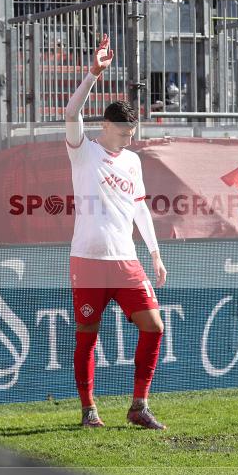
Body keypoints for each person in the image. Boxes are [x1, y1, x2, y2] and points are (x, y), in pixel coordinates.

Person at [65, 35, 168, 430]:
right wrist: (94, 73)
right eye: (124, 132)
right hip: (88, 259)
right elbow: (72, 111)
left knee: (154, 326)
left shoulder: (133, 161)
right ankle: (89, 410)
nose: (129, 138)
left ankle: (138, 405)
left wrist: (155, 254)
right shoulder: (83, 150)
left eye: (132, 132)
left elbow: (139, 206)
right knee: (87, 335)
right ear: (106, 125)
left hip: (125, 260)